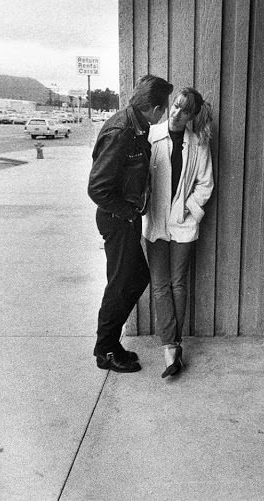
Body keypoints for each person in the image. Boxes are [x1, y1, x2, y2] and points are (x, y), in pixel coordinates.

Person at [88, 74, 174, 373]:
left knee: (133, 278)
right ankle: (106, 350)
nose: (163, 114)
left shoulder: (136, 126)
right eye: (163, 108)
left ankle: (109, 343)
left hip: (125, 217)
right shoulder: (122, 130)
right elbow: (97, 188)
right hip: (117, 218)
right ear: (154, 108)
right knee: (123, 282)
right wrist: (127, 212)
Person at [143, 87, 214, 378]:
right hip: (157, 223)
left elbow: (205, 184)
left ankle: (174, 344)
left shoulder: (198, 144)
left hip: (183, 224)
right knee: (160, 286)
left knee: (177, 284)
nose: (176, 113)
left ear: (191, 116)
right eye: (175, 106)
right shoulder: (151, 137)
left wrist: (188, 209)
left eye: (184, 110)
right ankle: (170, 348)